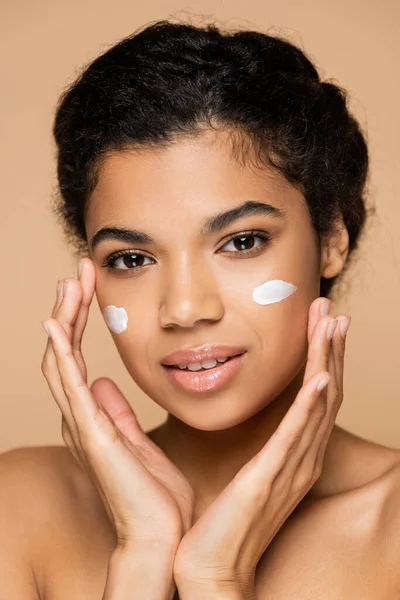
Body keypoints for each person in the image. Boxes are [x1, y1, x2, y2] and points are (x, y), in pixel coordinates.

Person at [1, 18, 399, 600]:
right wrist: (143, 552)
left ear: (332, 237)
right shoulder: (18, 510)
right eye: (133, 258)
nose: (184, 309)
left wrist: (217, 578)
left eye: (241, 241)